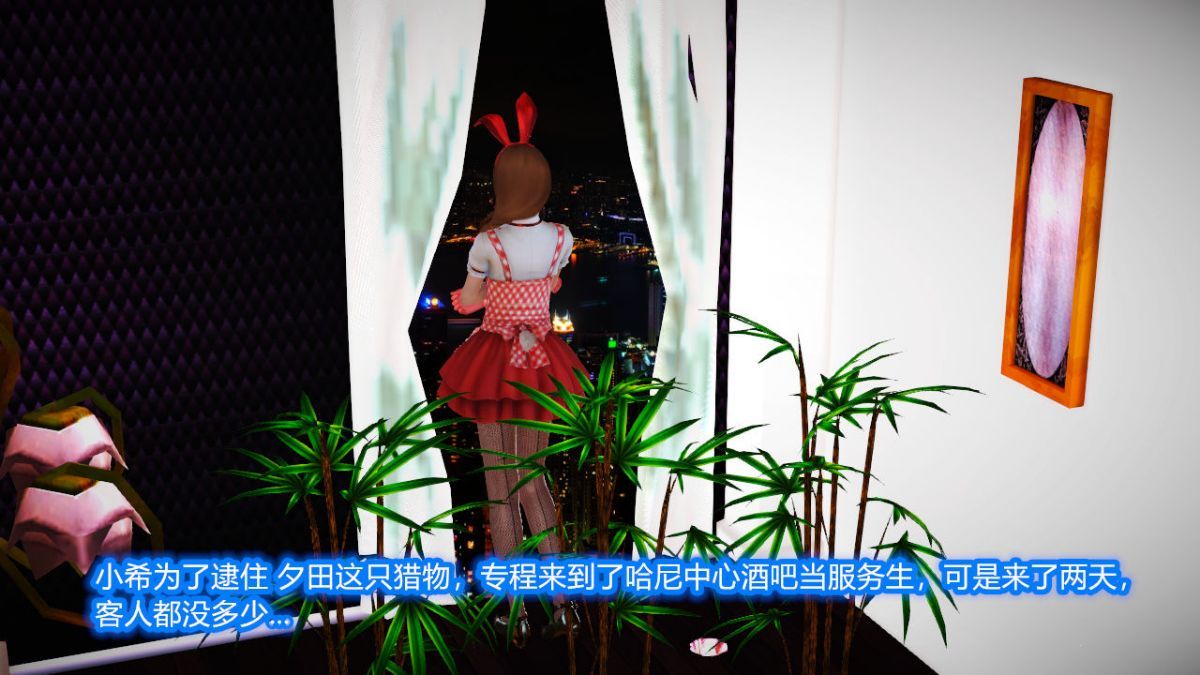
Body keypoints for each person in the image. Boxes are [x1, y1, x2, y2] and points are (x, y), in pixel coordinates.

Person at [437, 92, 585, 645]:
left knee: (499, 487)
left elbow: (472, 301)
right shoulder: (563, 237)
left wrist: (469, 297)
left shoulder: (488, 242)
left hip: (496, 362)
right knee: (535, 482)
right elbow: (553, 283)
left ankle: (516, 612)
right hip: (541, 361)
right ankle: (565, 608)